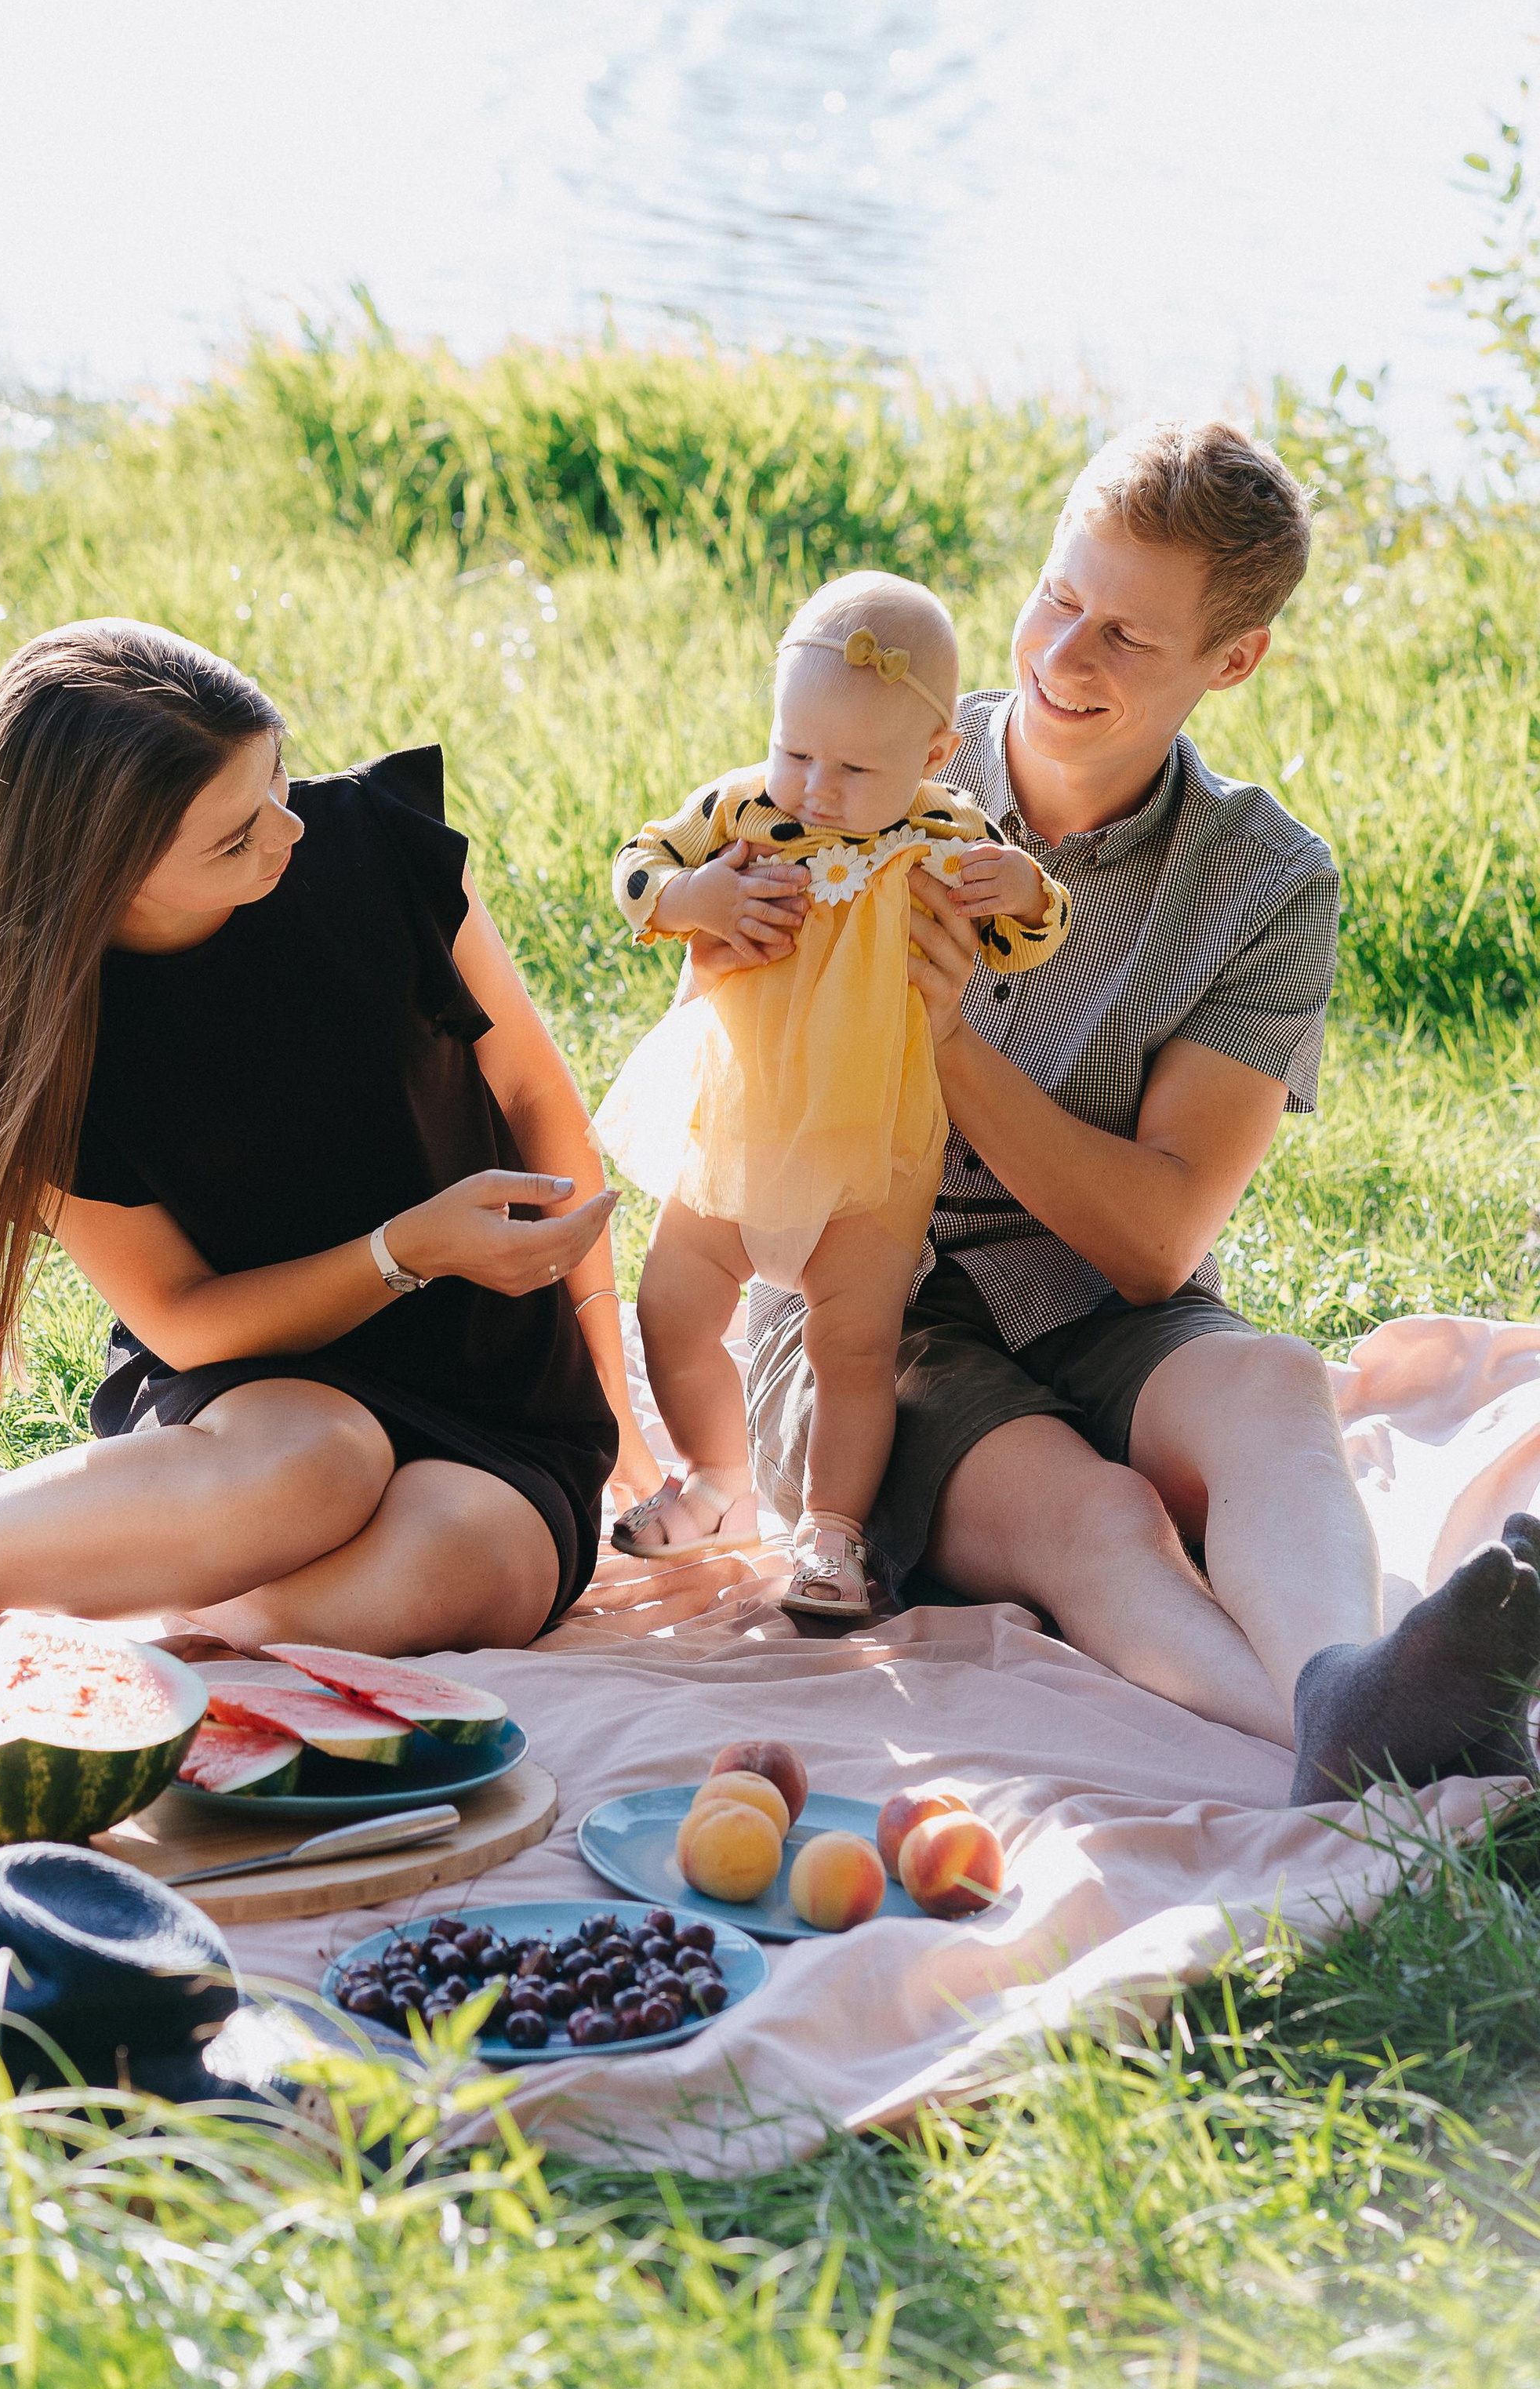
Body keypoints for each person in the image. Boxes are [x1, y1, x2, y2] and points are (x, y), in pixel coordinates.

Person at [654, 419, 1540, 1805]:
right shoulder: (866, 763)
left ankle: (1354, 1686)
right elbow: (710, 1015)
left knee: (1274, 1382)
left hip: (1101, 1291)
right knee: (1095, 1513)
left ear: (1231, 661)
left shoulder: (1265, 881)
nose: (1066, 657)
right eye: (1061, 598)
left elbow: (1154, 1246)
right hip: (862, 1304)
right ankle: (1350, 1733)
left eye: (1129, 636)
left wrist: (943, 1040)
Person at [0, 622, 662, 1653]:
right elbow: (189, 1320)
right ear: (99, 875)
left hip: (501, 1388)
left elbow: (534, 1097)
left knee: (455, 1569)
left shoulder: (377, 847)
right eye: (233, 836)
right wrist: (405, 1252)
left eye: (278, 784)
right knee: (317, 1464)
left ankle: (78, 1543)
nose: (289, 835)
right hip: (254, 1391)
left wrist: (606, 1384)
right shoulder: (45, 1048)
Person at [594, 570, 1068, 1623]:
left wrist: (1026, 892)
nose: (815, 785)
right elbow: (636, 868)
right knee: (672, 1308)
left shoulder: (949, 834)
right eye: (796, 750)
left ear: (935, 756)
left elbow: (1031, 941)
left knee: (851, 1347)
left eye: (854, 766)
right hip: (738, 1131)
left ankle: (834, 1535)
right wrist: (690, 895)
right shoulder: (742, 810)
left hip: (873, 1152)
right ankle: (716, 1485)